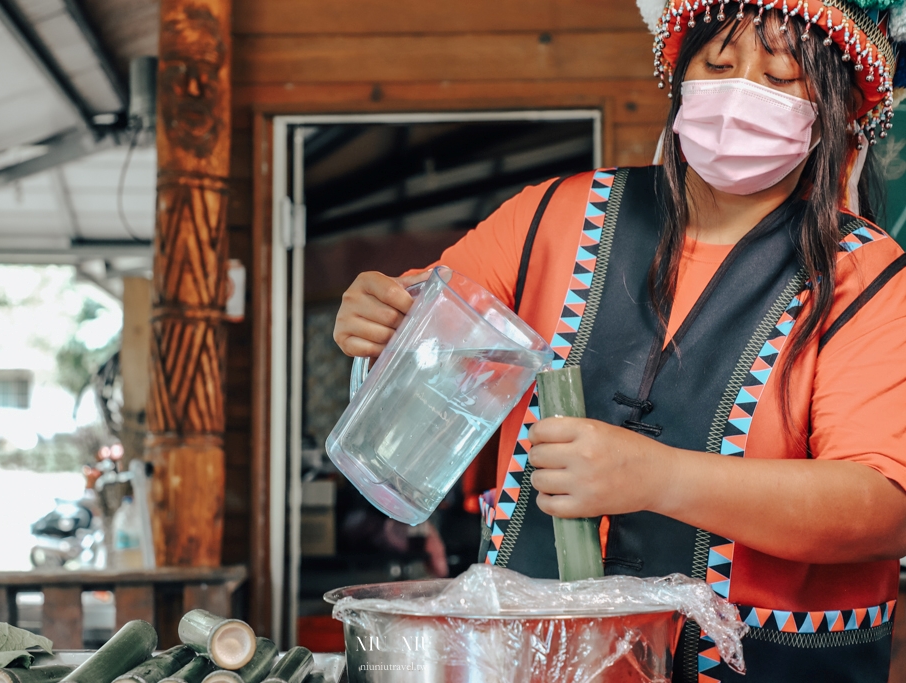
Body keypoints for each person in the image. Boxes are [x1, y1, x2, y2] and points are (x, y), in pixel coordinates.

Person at [332, 2, 906, 681]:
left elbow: (883, 505)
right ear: (681, 79)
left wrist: (657, 476)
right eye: (719, 66)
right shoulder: (550, 218)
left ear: (830, 112)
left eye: (780, 80)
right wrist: (378, 319)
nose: (741, 94)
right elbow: (428, 333)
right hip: (537, 662)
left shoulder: (861, 273)